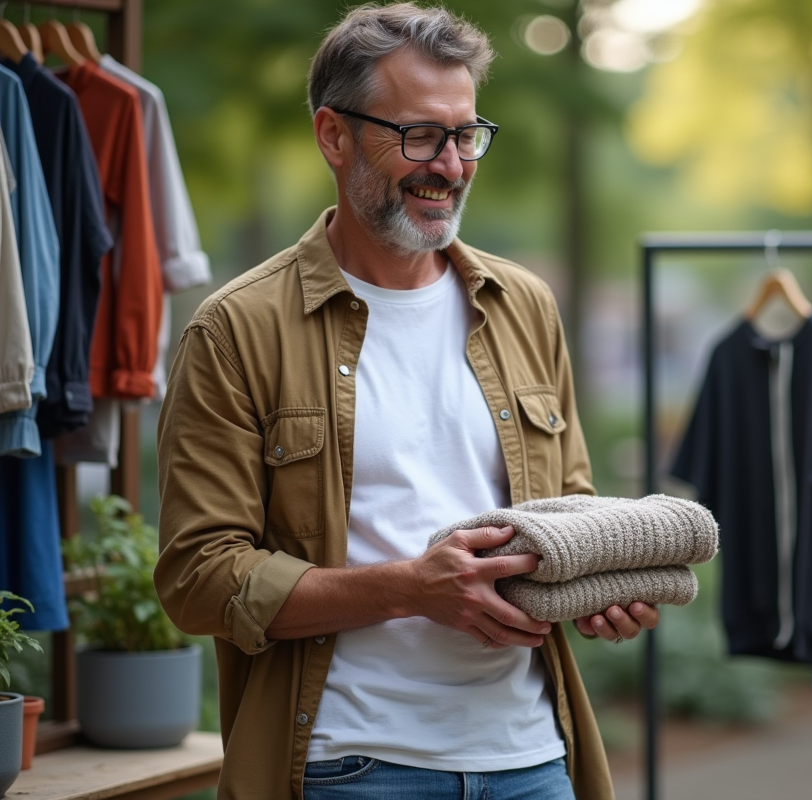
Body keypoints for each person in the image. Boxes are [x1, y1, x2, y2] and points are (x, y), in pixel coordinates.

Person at [154, 4, 657, 798]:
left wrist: (599, 588)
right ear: (333, 135)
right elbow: (199, 577)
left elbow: (569, 509)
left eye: (465, 136)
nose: (451, 166)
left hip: (530, 759)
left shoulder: (524, 304)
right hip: (349, 766)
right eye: (420, 136)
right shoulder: (236, 329)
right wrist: (407, 589)